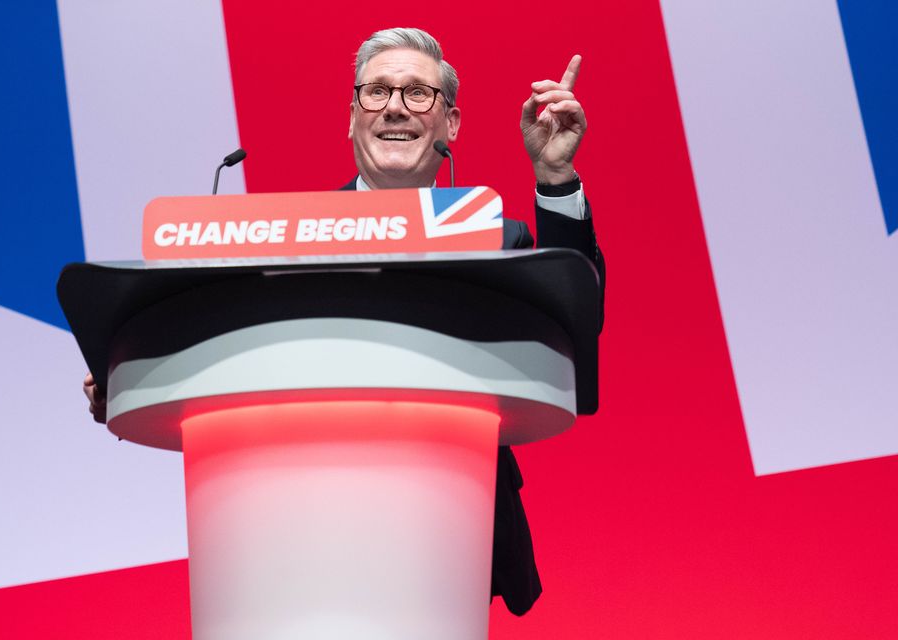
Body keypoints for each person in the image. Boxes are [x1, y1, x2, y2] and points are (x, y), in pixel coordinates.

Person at [84, 27, 604, 616]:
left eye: (417, 94)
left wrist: (555, 179)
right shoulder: (282, 243)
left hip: (446, 531)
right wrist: (134, 369)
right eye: (376, 92)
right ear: (352, 116)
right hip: (287, 529)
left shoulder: (495, 240)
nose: (394, 110)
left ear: (452, 123)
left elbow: (576, 317)